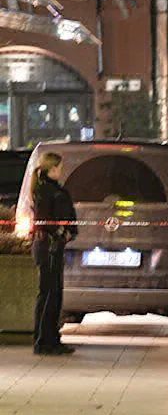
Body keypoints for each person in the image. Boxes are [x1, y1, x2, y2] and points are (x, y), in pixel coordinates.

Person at [31, 152, 77, 356]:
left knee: (54, 293)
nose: (61, 171)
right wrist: (60, 232)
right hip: (48, 247)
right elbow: (44, 219)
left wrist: (68, 232)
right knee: (49, 294)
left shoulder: (53, 189)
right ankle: (44, 340)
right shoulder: (44, 190)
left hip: (54, 247)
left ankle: (51, 337)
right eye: (59, 167)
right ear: (51, 169)